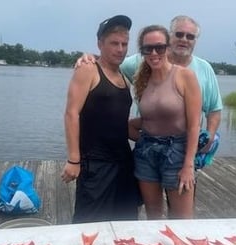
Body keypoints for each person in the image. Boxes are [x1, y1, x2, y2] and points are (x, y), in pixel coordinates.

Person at [77, 15, 223, 155]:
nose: (184, 39)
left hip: (185, 149)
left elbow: (214, 110)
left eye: (190, 36)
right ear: (169, 36)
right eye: (179, 34)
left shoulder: (204, 69)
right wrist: (90, 58)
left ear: (195, 40)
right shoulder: (145, 60)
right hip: (148, 148)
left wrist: (208, 139)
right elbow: (110, 63)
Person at [61, 14, 141, 223]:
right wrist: (73, 159)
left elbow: (116, 122)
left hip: (124, 161)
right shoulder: (89, 69)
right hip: (95, 164)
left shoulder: (125, 77)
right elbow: (71, 113)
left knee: (126, 221)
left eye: (124, 44)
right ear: (100, 44)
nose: (120, 49)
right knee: (88, 225)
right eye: (114, 43)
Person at [128, 25, 201, 219]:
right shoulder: (142, 79)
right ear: (142, 51)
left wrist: (188, 165)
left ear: (168, 48)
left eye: (159, 47)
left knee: (182, 219)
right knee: (153, 216)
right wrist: (89, 58)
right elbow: (109, 63)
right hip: (146, 153)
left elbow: (194, 125)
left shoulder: (184, 76)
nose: (153, 53)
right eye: (147, 49)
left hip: (176, 153)